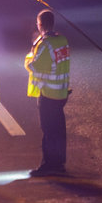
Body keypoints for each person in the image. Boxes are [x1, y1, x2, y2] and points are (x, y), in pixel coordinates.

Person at [25, 9, 72, 176]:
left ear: (40, 25)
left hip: (48, 94)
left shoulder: (45, 45)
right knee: (59, 130)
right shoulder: (62, 40)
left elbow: (35, 67)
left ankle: (48, 165)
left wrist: (29, 57)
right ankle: (59, 163)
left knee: (48, 130)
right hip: (61, 92)